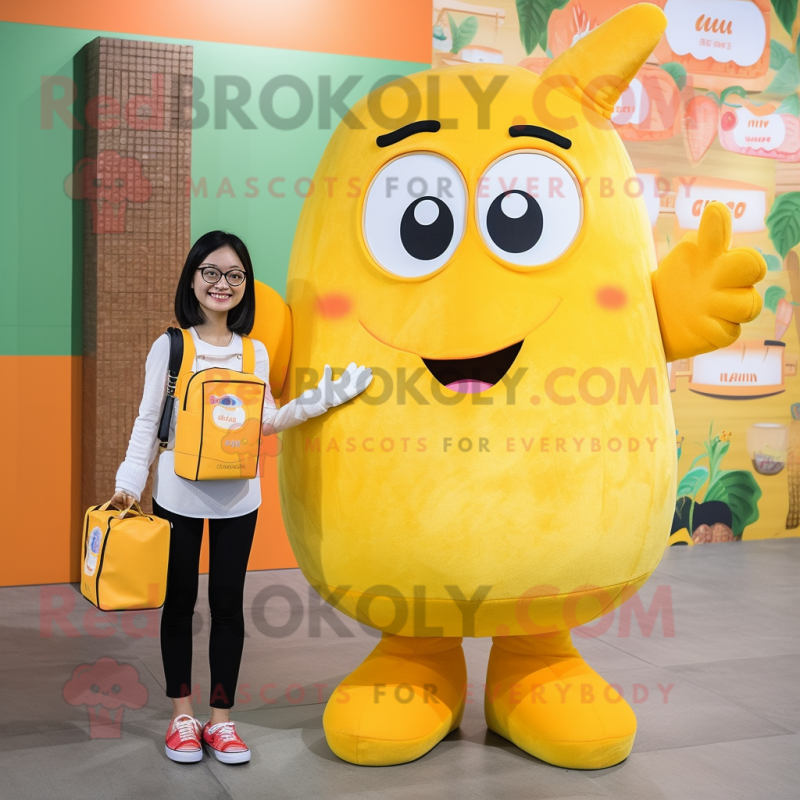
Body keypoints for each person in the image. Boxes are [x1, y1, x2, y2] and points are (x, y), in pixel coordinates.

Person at [111, 230, 371, 764]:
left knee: (229, 608)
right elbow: (147, 421)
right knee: (179, 606)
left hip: (238, 500)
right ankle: (182, 718)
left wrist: (323, 399)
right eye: (211, 272)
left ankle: (221, 721)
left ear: (245, 286)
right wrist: (128, 484)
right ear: (193, 279)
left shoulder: (254, 352)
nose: (222, 284)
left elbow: (265, 421)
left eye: (234, 275)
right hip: (178, 497)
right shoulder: (173, 345)